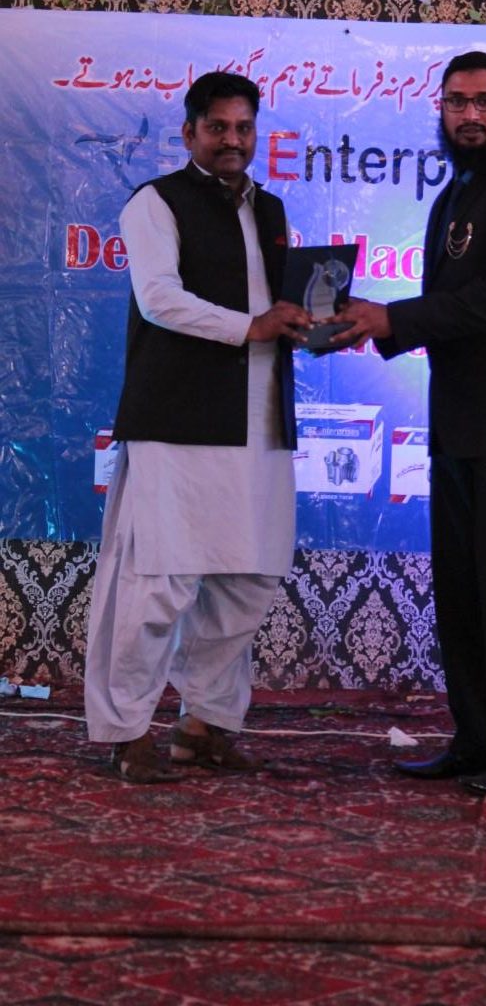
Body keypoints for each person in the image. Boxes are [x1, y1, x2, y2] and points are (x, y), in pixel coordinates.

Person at [334, 51, 486, 796]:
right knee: (462, 588)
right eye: (457, 102)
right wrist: (372, 324)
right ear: (439, 108)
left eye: (484, 102)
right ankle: (477, 741)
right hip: (457, 419)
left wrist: (393, 319)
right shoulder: (455, 194)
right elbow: (453, 309)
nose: (470, 115)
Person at [85, 71, 311, 783]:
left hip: (259, 419)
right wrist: (252, 326)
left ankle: (204, 724)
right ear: (189, 133)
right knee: (157, 585)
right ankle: (126, 731)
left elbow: (277, 306)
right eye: (217, 127)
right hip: (177, 420)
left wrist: (313, 324)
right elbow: (159, 299)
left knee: (250, 578)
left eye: (244, 127)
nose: (232, 140)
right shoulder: (155, 202)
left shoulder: (270, 208)